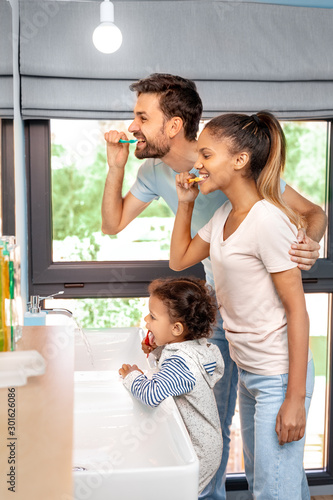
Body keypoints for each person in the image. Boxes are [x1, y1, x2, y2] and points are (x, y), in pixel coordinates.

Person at [102, 73, 326, 500]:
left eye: (141, 117)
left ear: (173, 126)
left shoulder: (260, 203)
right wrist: (168, 194)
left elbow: (299, 295)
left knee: (272, 479)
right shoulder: (212, 211)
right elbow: (173, 255)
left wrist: (307, 242)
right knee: (245, 457)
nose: (132, 127)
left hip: (273, 360)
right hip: (237, 344)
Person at [169, 111, 315, 500]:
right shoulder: (224, 216)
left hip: (279, 376)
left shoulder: (267, 220)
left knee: (272, 490)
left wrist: (294, 400)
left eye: (206, 154)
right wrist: (185, 202)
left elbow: (298, 311)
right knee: (273, 480)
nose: (197, 163)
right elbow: (179, 258)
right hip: (252, 371)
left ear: (239, 160)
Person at [119, 276, 224, 494]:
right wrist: (157, 350)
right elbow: (175, 378)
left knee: (177, 494)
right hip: (208, 446)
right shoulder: (195, 349)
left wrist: (132, 376)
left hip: (198, 451)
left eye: (153, 317)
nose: (146, 320)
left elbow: (152, 395)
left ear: (176, 328)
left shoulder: (180, 363)